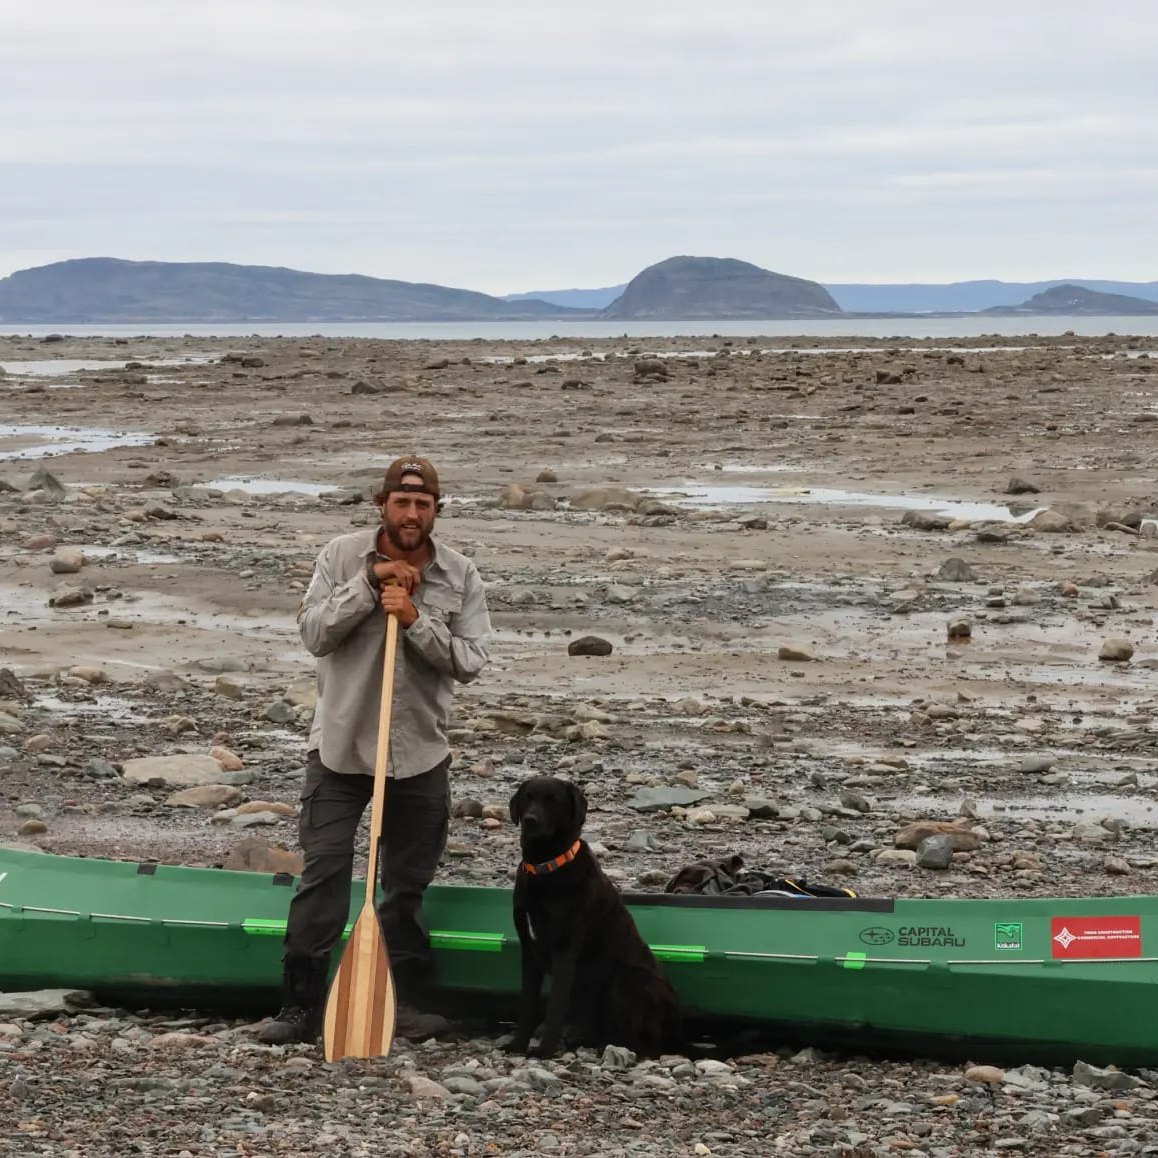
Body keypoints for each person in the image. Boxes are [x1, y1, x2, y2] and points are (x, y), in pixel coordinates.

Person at [259, 455, 492, 1045]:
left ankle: (404, 1001)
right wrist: (368, 586)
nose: (411, 513)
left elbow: (470, 661)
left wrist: (415, 619)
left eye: (423, 504)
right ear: (382, 504)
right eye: (401, 502)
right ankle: (301, 1006)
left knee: (405, 886)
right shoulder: (340, 558)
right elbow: (313, 632)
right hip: (340, 748)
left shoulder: (460, 574)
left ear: (436, 510)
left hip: (419, 755)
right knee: (325, 874)